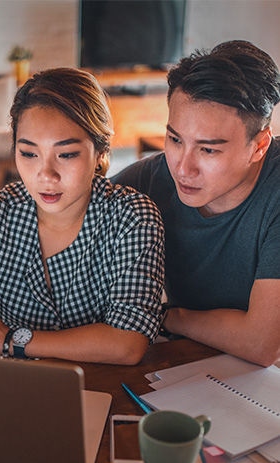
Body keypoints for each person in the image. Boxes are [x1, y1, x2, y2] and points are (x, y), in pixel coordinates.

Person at [0, 67, 165, 365]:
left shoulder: (132, 218)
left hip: (103, 385)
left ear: (101, 151)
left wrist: (12, 340)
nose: (45, 175)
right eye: (28, 153)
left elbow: (128, 341)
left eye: (66, 154)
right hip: (10, 387)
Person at [112, 40, 280, 367]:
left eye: (208, 150)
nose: (183, 168)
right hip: (196, 363)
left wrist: (168, 318)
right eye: (175, 139)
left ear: (259, 146)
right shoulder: (147, 181)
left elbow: (262, 343)